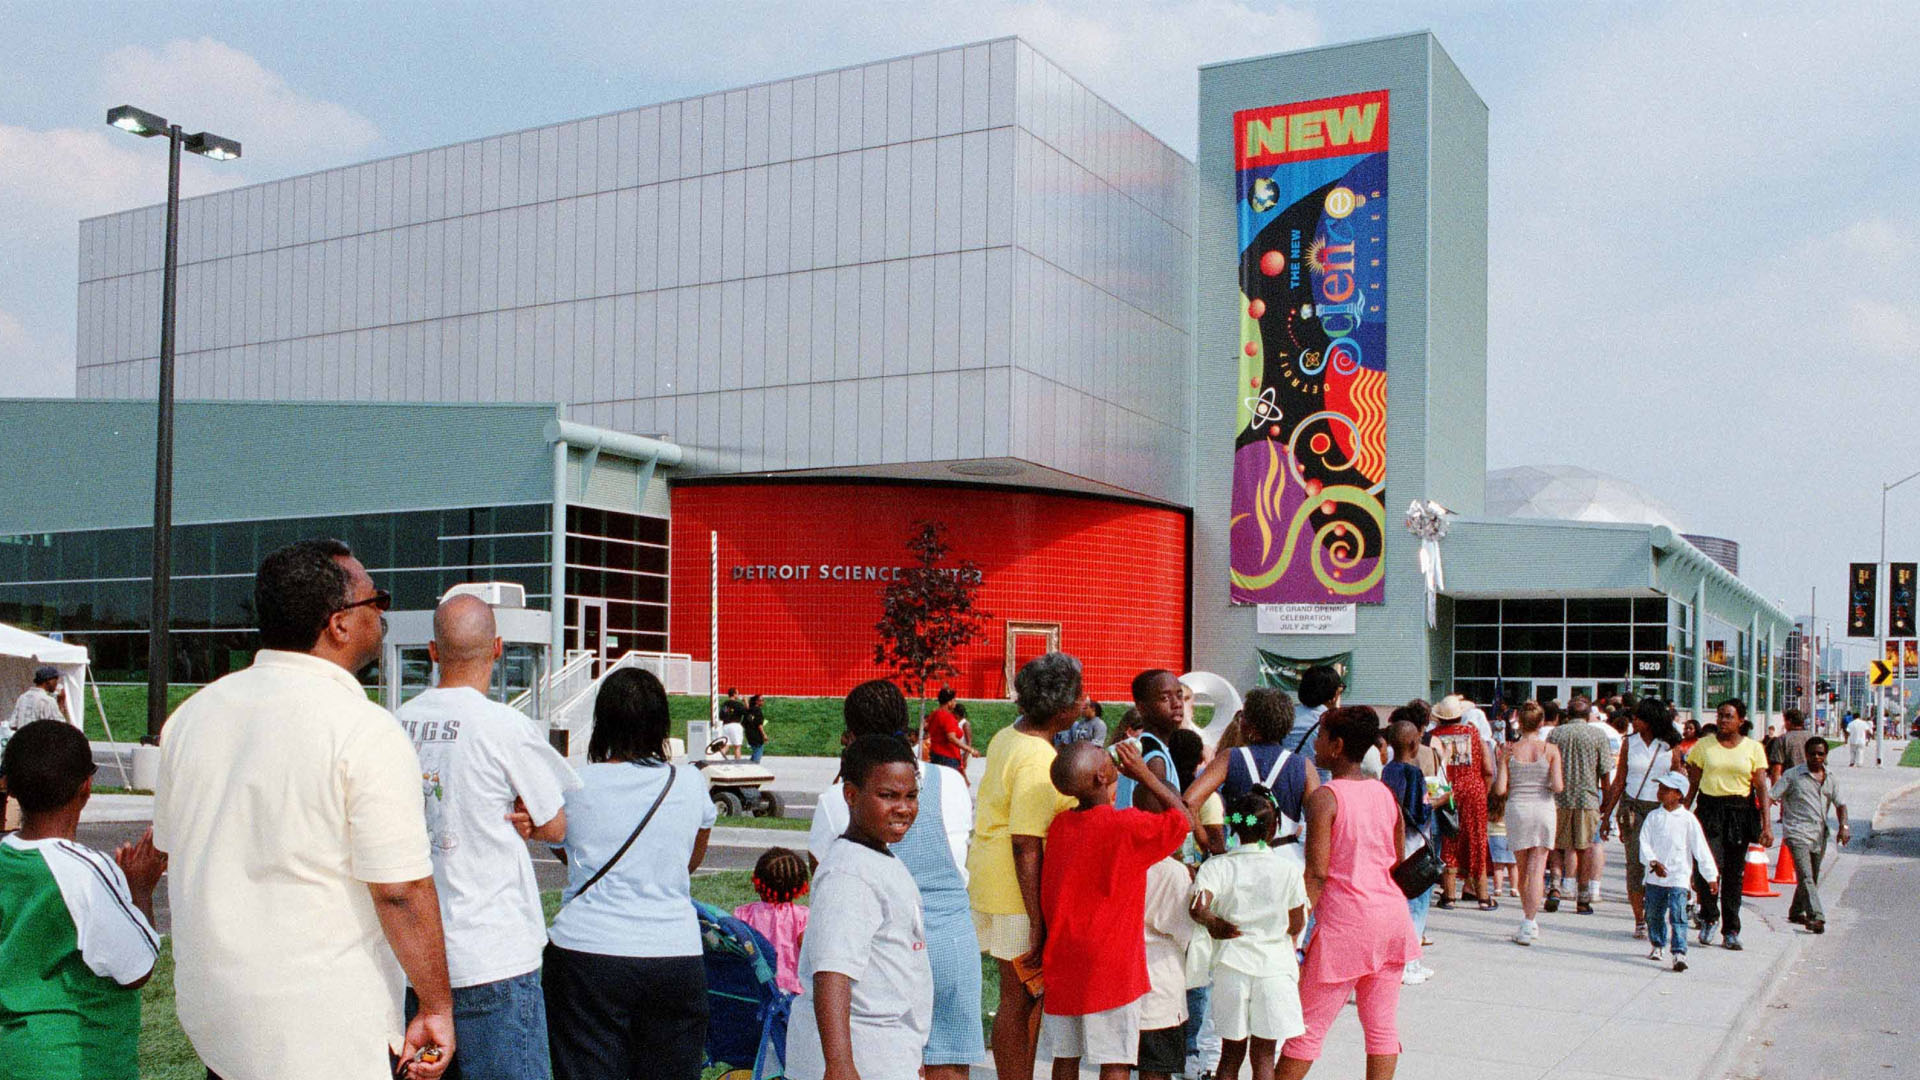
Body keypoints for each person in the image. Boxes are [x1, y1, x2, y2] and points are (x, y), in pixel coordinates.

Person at [153, 538, 453, 1080]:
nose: (382, 613)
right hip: (324, 1032)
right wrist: (436, 1007)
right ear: (339, 624)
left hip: (220, 1027)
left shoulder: (191, 719)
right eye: (376, 600)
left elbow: (176, 850)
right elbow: (400, 890)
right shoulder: (363, 729)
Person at [396, 593, 579, 1080]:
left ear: (433, 651)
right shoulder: (506, 726)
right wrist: (528, 818)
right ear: (498, 648)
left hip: (415, 958)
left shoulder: (396, 723)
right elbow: (557, 825)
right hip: (494, 956)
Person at [545, 667, 716, 1080]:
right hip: (673, 952)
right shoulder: (690, 783)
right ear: (662, 725)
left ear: (602, 722)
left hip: (586, 953)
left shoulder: (574, 784)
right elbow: (689, 861)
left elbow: (570, 856)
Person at [808, 680, 982, 1079]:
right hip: (952, 941)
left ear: (850, 736)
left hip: (881, 955)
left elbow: (826, 891)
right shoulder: (948, 782)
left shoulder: (841, 798)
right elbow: (960, 857)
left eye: (908, 798)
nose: (902, 806)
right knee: (949, 1065)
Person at [0, 720, 162, 1080]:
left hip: (13, 1055)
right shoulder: (87, 869)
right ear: (86, 787)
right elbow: (136, 969)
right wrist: (139, 890)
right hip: (78, 1060)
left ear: (9, 787)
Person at [1038, 740, 1194, 1080]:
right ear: (1100, 777)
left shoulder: (1061, 826)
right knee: (1115, 1059)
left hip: (1063, 957)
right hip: (1111, 964)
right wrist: (1145, 776)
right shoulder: (1125, 826)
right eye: (1105, 757)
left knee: (1066, 1057)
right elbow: (1184, 821)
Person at [1277, 706, 1419, 1080]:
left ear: (1336, 746)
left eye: (1322, 736)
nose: (1317, 743)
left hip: (1345, 926)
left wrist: (1292, 928)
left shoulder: (1325, 797)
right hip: (1391, 919)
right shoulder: (1384, 792)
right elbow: (1396, 858)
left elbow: (1318, 874)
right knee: (1382, 1027)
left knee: (1305, 1029)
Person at [785, 736, 933, 1080]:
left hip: (887, 1053)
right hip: (861, 1057)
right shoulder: (848, 874)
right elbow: (832, 974)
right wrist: (839, 1065)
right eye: (888, 796)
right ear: (851, 795)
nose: (903, 807)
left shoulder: (877, 859)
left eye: (911, 796)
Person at [968, 652, 1085, 1080]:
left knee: (1019, 995)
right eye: (1080, 694)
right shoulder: (1038, 758)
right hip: (1016, 894)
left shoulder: (1007, 735)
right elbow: (1026, 843)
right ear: (1060, 710)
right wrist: (1037, 920)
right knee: (1021, 999)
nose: (1086, 700)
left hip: (993, 880)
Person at [1189, 788, 1309, 1080]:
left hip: (1232, 966)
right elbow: (1296, 923)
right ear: (1273, 829)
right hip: (1274, 968)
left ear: (1234, 827)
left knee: (1230, 1054)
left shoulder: (1218, 867)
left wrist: (1211, 920)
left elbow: (1197, 906)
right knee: (1265, 1055)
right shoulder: (1288, 870)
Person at [1185, 688, 1318, 866]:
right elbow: (1319, 820)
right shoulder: (1304, 766)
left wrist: (1209, 844)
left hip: (1240, 856)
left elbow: (1189, 802)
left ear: (1249, 724)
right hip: (1287, 859)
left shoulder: (1230, 758)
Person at [1683, 698, 1772, 950]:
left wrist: (1767, 825)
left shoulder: (1753, 749)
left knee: (1734, 874)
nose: (1723, 720)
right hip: (1709, 810)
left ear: (1740, 720)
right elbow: (1693, 784)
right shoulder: (1704, 746)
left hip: (1739, 813)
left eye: (1729, 716)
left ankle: (1731, 929)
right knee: (1707, 868)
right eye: (1720, 715)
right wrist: (1681, 814)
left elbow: (1762, 789)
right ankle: (1709, 916)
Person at [1600, 697, 1681, 939]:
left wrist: (1680, 811)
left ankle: (1656, 913)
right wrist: (1606, 816)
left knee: (1660, 863)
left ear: (1651, 721)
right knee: (1635, 865)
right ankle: (1639, 919)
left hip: (1661, 810)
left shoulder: (1670, 745)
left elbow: (1678, 780)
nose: (1633, 721)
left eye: (1639, 718)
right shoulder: (1630, 743)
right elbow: (1620, 780)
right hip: (1633, 808)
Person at [1493, 702, 1562, 945]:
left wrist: (1503, 762)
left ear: (1519, 722)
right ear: (1541, 723)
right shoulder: (1550, 750)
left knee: (1523, 870)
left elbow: (1500, 789)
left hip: (1518, 809)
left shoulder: (1509, 750)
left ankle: (1527, 919)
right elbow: (1559, 786)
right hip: (1543, 808)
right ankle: (1530, 921)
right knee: (1537, 868)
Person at [1640, 771, 1717, 972]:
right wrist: (1653, 862)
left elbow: (1700, 848)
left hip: (1678, 877)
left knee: (1678, 915)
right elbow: (1644, 843)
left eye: (1666, 789)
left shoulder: (1688, 819)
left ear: (1678, 794)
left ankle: (1679, 952)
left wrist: (1710, 876)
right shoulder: (1653, 817)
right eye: (1660, 788)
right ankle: (1657, 944)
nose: (1661, 792)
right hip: (1655, 878)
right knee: (1654, 914)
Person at [1772, 737, 1849, 934]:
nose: (1816, 757)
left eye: (1820, 753)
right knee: (1805, 875)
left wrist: (1844, 827)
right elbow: (1771, 795)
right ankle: (1817, 917)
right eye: (1812, 753)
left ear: (1826, 755)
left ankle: (1796, 911)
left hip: (1819, 834)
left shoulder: (1830, 777)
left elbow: (1840, 804)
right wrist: (1765, 823)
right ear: (1806, 754)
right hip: (1797, 833)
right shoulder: (1793, 776)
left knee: (1811, 876)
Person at [1380, 714, 1436, 983]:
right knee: (1417, 904)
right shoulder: (1413, 773)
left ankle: (1404, 960)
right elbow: (1421, 811)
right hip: (1414, 844)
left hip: (1392, 844)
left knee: (1400, 901)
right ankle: (1409, 962)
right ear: (1415, 745)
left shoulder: (1387, 771)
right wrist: (1437, 802)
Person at [1545, 695, 1612, 915]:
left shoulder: (1556, 733)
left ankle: (1555, 887)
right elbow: (1604, 771)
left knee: (1557, 846)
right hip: (1587, 797)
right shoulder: (1597, 734)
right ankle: (1583, 898)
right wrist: (1607, 801)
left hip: (1559, 797)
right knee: (1584, 848)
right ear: (1588, 714)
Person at [1428, 694, 1494, 910]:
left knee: (1450, 838)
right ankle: (1483, 895)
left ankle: (1449, 896)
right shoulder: (1473, 733)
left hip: (1445, 790)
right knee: (1476, 839)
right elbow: (1488, 768)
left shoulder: (1433, 737)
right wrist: (1484, 791)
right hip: (1473, 789)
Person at [1138, 846, 1196, 1080]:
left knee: (1116, 1065)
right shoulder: (1173, 872)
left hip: (1123, 981)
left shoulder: (1122, 860)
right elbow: (1184, 931)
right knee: (1157, 1068)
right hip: (1162, 984)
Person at [733, 847, 811, 994]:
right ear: (800, 887)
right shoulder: (803, 917)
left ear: (757, 883)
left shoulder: (744, 914)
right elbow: (809, 951)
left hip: (755, 989)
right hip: (792, 991)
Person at [1117, 669, 1183, 811]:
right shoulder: (1155, 759)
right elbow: (1155, 822)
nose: (1177, 704)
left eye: (1179, 695)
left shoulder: (1144, 746)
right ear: (1142, 708)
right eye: (1165, 698)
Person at [1284, 665, 1344, 778]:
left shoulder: (1287, 716)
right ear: (1333, 695)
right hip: (1318, 784)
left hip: (1286, 783)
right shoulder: (1332, 722)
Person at [924, 689, 982, 775]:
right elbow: (951, 738)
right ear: (949, 702)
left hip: (935, 754)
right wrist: (971, 750)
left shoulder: (935, 714)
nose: (955, 703)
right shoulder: (947, 717)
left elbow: (926, 727)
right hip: (948, 757)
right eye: (954, 700)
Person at [7, 664, 68, 731]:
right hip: (39, 740)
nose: (57, 683)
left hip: (23, 739)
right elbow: (60, 727)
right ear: (48, 681)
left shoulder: (23, 697)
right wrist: (61, 703)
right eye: (56, 679)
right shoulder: (47, 700)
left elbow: (13, 725)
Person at [1765, 707, 1816, 784]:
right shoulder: (1812, 738)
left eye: (1784, 721)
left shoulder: (1782, 739)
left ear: (1789, 722)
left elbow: (1777, 769)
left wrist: (1774, 792)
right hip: (1811, 784)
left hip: (1791, 785)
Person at [719, 688, 746, 760]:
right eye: (737, 693)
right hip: (735, 725)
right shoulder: (738, 704)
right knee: (737, 747)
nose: (738, 695)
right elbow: (747, 713)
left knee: (726, 746)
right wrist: (745, 702)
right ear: (734, 694)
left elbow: (721, 716)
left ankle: (717, 759)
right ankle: (737, 763)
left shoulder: (725, 704)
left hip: (726, 726)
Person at [742, 694, 769, 764]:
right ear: (757, 701)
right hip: (756, 734)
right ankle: (754, 766)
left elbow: (744, 723)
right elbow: (759, 725)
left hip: (749, 734)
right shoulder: (757, 710)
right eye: (761, 700)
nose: (763, 702)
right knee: (758, 749)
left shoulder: (749, 710)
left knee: (755, 750)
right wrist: (764, 735)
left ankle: (750, 765)